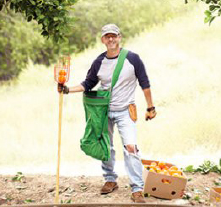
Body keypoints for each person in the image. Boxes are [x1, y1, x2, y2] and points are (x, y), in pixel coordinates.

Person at [57, 23, 157, 203]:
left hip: (126, 111)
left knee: (131, 147)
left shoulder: (132, 59)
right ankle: (110, 180)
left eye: (114, 36)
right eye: (107, 36)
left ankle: (137, 189)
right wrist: (67, 90)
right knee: (106, 146)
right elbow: (88, 83)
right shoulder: (99, 62)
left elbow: (145, 83)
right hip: (103, 111)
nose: (111, 39)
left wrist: (150, 107)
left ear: (119, 37)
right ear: (103, 40)